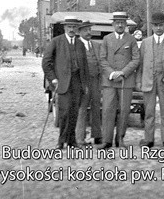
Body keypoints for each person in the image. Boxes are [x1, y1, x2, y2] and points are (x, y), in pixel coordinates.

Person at [42, 16, 90, 149]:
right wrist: (53, 79)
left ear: (77, 29)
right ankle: (61, 141)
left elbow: (84, 65)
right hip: (62, 83)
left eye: (74, 27)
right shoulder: (56, 42)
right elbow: (46, 62)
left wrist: (84, 84)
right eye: (69, 27)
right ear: (64, 28)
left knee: (74, 112)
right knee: (64, 113)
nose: (72, 29)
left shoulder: (80, 44)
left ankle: (72, 141)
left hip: (77, 83)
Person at [136, 12, 164, 150]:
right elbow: (140, 64)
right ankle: (149, 139)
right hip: (149, 80)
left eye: (161, 25)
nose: (159, 28)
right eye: (156, 25)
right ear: (152, 27)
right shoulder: (145, 43)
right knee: (149, 112)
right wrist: (138, 81)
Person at [96, 12, 140, 149]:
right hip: (109, 81)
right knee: (108, 110)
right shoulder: (106, 39)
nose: (120, 25)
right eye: (117, 22)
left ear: (126, 24)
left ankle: (120, 138)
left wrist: (123, 72)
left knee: (124, 110)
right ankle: (107, 140)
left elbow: (136, 59)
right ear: (113, 24)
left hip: (125, 81)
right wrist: (112, 73)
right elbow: (102, 59)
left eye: (122, 22)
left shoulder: (131, 40)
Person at [76, 20, 103, 146]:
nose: (88, 32)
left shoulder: (96, 45)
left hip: (96, 81)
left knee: (96, 107)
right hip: (83, 82)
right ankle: (80, 138)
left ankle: (97, 136)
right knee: (82, 109)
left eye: (89, 30)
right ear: (79, 32)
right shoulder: (76, 45)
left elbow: (102, 62)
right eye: (85, 30)